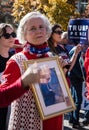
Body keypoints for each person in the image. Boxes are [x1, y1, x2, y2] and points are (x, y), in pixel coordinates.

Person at [1, 11, 68, 130]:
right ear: (24, 34)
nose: (38, 31)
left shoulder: (52, 57)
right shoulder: (16, 61)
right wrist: (23, 82)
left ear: (47, 31)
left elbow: (61, 94)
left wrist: (61, 75)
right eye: (32, 28)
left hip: (55, 124)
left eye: (41, 27)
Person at [0, 23, 17, 130]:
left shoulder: (14, 59)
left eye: (13, 34)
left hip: (12, 108)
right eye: (7, 35)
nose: (11, 38)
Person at [68, 42, 86, 129]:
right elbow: (74, 66)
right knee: (78, 100)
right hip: (75, 78)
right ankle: (75, 121)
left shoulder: (76, 49)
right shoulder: (75, 50)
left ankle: (72, 120)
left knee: (74, 99)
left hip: (75, 77)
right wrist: (82, 77)